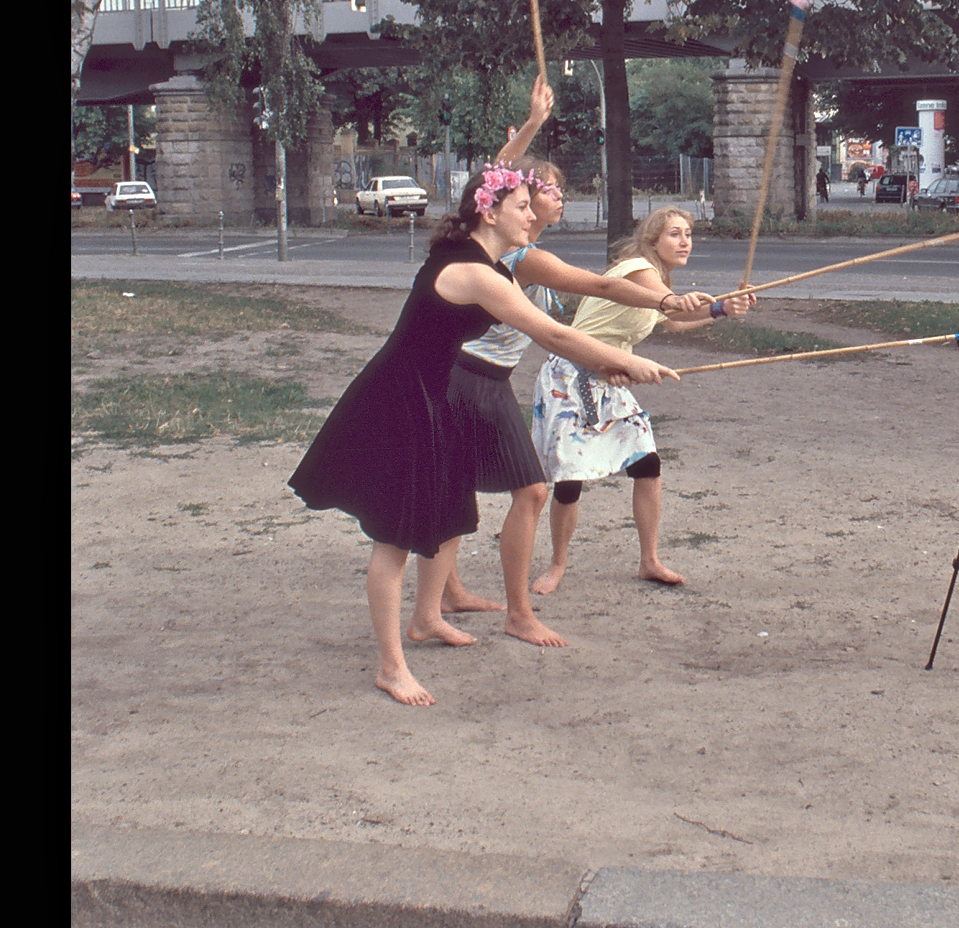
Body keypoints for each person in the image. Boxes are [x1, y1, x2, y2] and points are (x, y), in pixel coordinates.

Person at [288, 166, 679, 706]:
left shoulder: (486, 261)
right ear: (489, 212)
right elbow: (551, 333)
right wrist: (624, 361)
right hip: (399, 399)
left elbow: (558, 322)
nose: (531, 212)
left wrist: (616, 362)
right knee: (394, 537)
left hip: (431, 394)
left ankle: (426, 619)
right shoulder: (472, 272)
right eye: (521, 205)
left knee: (438, 511)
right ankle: (391, 666)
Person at [434, 162, 721, 640]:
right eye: (542, 194)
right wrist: (659, 312)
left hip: (508, 377)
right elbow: (580, 307)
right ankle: (513, 604)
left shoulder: (523, 250)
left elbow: (565, 326)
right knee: (537, 487)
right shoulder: (519, 256)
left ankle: (455, 594)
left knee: (485, 485)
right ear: (500, 206)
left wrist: (706, 311)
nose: (557, 200)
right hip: (480, 376)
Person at [531, 206, 749, 594]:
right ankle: (556, 565)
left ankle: (649, 561)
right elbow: (671, 303)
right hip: (573, 372)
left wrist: (720, 309)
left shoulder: (658, 280)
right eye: (674, 234)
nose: (685, 242)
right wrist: (686, 301)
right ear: (652, 241)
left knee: (647, 463)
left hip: (611, 374)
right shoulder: (636, 269)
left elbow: (676, 319)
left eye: (688, 234)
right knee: (570, 478)